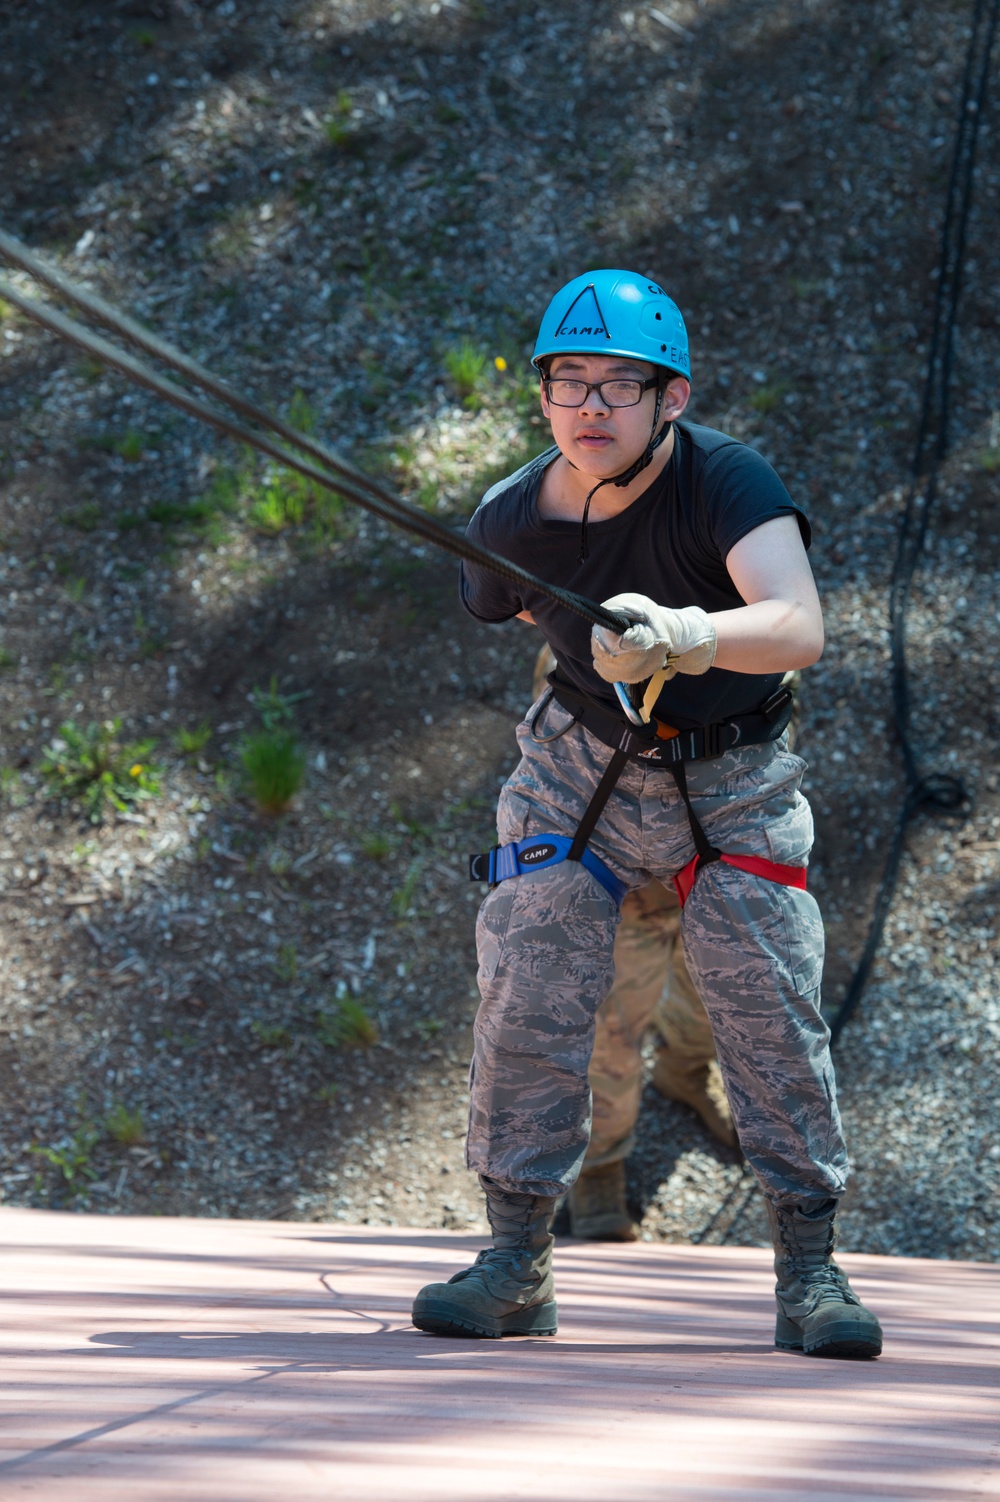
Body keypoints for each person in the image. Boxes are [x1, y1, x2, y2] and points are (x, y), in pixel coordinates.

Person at [413, 270, 881, 1359]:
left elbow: (798, 623)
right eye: (566, 383)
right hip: (579, 763)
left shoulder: (726, 479)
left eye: (619, 386)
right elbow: (491, 595)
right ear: (541, 399)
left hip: (733, 773)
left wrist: (686, 634)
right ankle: (516, 1254)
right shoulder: (516, 513)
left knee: (766, 999)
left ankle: (809, 1265)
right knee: (528, 972)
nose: (589, 408)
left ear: (670, 398)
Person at [531, 644, 738, 1245]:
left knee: (713, 1004)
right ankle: (599, 1162)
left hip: (720, 872)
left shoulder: (754, 617)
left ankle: (683, 1072)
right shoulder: (585, 641)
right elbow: (562, 770)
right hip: (624, 886)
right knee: (610, 1032)